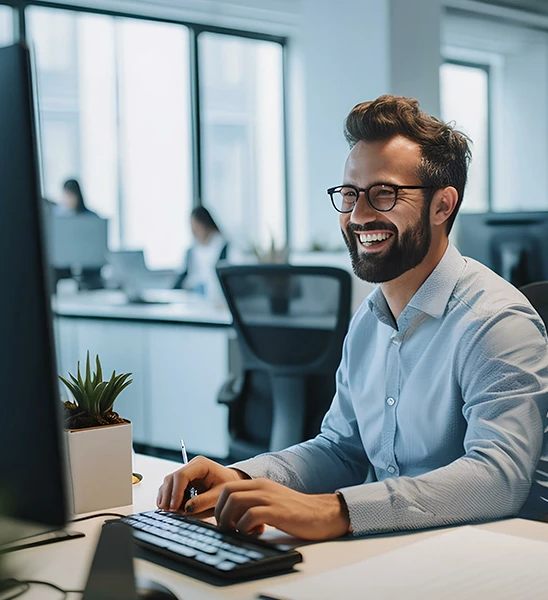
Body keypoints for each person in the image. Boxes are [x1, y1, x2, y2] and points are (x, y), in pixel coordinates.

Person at [157, 95, 548, 539]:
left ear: (442, 206)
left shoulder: (497, 322)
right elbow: (341, 450)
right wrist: (244, 478)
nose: (358, 215)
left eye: (384, 194)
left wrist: (336, 511)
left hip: (497, 557)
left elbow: (498, 479)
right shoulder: (368, 322)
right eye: (349, 194)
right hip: (396, 549)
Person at [173, 206, 228, 297]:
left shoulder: (224, 247)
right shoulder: (193, 250)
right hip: (195, 296)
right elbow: (185, 277)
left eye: (197, 227)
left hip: (216, 297)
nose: (195, 232)